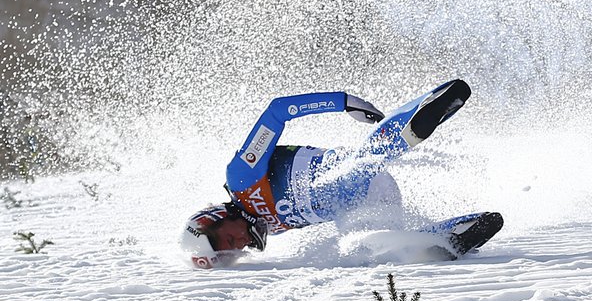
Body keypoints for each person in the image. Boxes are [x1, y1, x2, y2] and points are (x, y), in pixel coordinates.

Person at [180, 79, 474, 268]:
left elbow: (277, 111)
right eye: (234, 251)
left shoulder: (241, 178)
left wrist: (343, 102)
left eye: (230, 241)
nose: (241, 244)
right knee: (358, 250)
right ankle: (427, 242)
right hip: (375, 201)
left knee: (345, 177)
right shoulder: (271, 227)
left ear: (217, 219)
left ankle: (412, 121)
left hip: (352, 169)